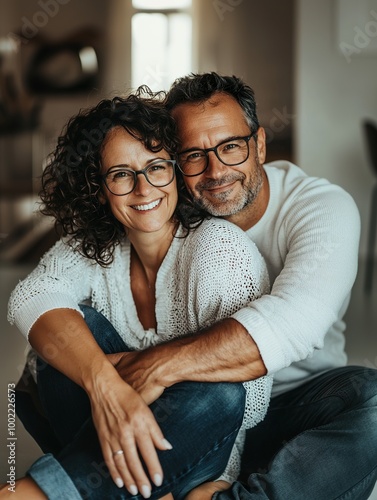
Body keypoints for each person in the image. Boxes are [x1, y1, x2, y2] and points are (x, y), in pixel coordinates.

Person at [95, 73, 376, 500]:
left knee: (373, 400)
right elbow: (59, 284)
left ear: (259, 144)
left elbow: (293, 325)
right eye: (193, 155)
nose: (216, 171)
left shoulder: (321, 207)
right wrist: (98, 375)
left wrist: (152, 365)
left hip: (296, 404)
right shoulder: (158, 203)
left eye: (230, 147)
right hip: (195, 408)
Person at [5, 87, 272, 499]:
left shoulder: (221, 252)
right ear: (99, 188)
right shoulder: (95, 248)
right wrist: (106, 386)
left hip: (197, 451)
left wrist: (136, 370)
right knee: (66, 336)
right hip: (109, 438)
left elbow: (247, 403)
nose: (143, 189)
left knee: (220, 392)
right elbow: (30, 297)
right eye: (121, 174)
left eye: (156, 168)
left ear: (177, 173)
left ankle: (36, 494)